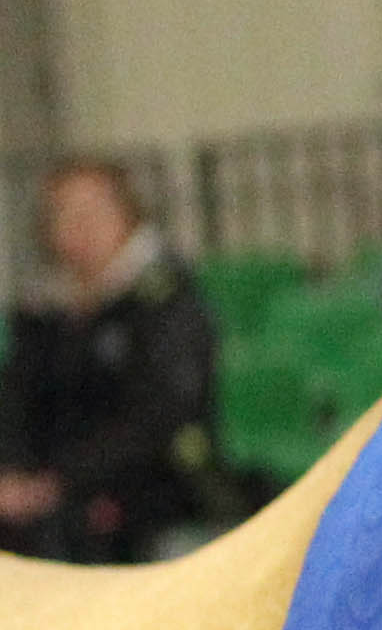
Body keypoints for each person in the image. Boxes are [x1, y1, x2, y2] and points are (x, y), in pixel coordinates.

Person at [0, 159, 226, 564]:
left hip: (150, 497)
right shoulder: (42, 311)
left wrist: (59, 483)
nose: (78, 226)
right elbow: (17, 402)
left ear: (127, 214)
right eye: (63, 213)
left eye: (92, 210)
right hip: (47, 501)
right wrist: (16, 475)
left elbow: (161, 415)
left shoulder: (164, 298)